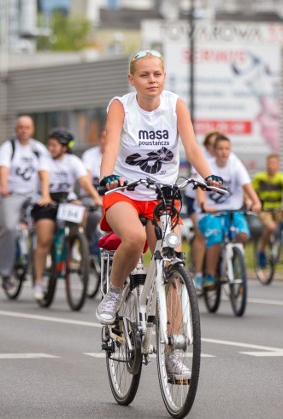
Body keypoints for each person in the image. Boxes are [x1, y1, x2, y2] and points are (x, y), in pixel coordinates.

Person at [97, 49, 222, 380]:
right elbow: (111, 146)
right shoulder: (120, 106)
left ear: (164, 77)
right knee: (136, 238)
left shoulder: (175, 104)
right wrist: (106, 175)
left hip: (162, 196)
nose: (151, 80)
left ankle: (174, 353)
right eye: (144, 75)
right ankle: (114, 293)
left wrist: (209, 175)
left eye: (157, 74)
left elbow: (192, 147)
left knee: (172, 265)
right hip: (124, 190)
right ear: (131, 79)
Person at [31, 128, 101, 301]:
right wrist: (46, 196)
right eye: (50, 145)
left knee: (83, 211)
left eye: (54, 145)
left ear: (64, 147)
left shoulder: (73, 160)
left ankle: (76, 243)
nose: (51, 148)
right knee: (44, 240)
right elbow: (44, 176)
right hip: (46, 201)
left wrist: (95, 198)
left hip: (66, 200)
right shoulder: (44, 159)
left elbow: (84, 181)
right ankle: (39, 282)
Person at [195, 134, 262, 289]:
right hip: (212, 212)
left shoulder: (235, 164)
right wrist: (203, 204)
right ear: (214, 150)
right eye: (220, 149)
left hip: (233, 210)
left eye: (227, 149)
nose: (224, 152)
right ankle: (210, 275)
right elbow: (199, 188)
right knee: (216, 236)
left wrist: (256, 202)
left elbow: (246, 185)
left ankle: (235, 263)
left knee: (243, 235)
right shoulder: (207, 165)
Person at [0, 115, 51, 292]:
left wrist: (45, 194)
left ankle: (42, 271)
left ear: (32, 129)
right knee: (10, 228)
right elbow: (3, 168)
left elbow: (44, 172)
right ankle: (6, 271)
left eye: (27, 127)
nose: (24, 130)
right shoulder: (8, 147)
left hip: (33, 195)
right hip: (12, 194)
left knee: (45, 225)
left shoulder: (39, 149)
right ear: (16, 129)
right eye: (20, 127)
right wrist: (3, 186)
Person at [184, 130, 222, 290]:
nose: (216, 147)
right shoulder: (202, 156)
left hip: (216, 199)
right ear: (207, 146)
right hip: (195, 198)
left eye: (217, 144)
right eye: (213, 144)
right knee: (201, 234)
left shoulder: (223, 156)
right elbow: (199, 181)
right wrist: (202, 203)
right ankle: (198, 274)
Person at [81, 129, 107, 262]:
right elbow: (86, 179)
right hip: (92, 196)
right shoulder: (90, 155)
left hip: (110, 197)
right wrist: (96, 198)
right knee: (95, 216)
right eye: (103, 137)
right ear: (99, 139)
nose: (106, 141)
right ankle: (89, 246)